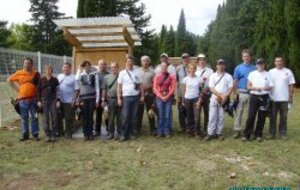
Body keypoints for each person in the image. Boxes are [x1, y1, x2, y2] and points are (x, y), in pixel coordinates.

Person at [7, 57, 41, 141]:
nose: (27, 65)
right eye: (25, 63)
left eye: (29, 63)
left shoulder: (36, 74)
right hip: (23, 100)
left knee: (35, 117)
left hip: (33, 100)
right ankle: (25, 135)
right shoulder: (19, 73)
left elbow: (40, 85)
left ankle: (35, 134)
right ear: (23, 64)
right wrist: (17, 89)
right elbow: (9, 80)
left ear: (31, 65)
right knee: (24, 118)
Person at [242, 58, 273, 142]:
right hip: (254, 97)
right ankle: (246, 135)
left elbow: (271, 86)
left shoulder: (268, 74)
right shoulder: (252, 74)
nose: (260, 65)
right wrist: (256, 88)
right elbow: (248, 87)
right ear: (256, 65)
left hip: (264, 97)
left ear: (264, 65)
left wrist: (266, 87)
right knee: (251, 116)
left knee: (262, 117)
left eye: (262, 64)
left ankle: (258, 134)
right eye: (259, 64)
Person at [204, 59, 233, 141]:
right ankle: (210, 133)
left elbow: (230, 88)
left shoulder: (228, 76)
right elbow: (211, 88)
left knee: (221, 116)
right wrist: (220, 95)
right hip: (214, 98)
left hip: (224, 99)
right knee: (212, 116)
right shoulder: (212, 76)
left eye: (222, 64)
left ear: (225, 65)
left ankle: (219, 133)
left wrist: (225, 96)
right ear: (216, 66)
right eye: (219, 64)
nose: (221, 66)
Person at [117, 55, 144, 141]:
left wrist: (142, 96)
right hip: (126, 97)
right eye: (128, 61)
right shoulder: (122, 73)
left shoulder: (138, 72)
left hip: (135, 97)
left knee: (133, 116)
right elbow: (119, 87)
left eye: (131, 61)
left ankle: (132, 133)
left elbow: (140, 85)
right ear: (126, 62)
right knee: (125, 116)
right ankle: (124, 134)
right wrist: (119, 98)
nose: (130, 63)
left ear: (133, 63)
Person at [268, 56, 295, 140]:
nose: (279, 62)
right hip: (273, 98)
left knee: (283, 117)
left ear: (283, 62)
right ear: (274, 62)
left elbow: (291, 84)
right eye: (277, 61)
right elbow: (267, 84)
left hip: (284, 99)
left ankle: (283, 133)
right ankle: (271, 134)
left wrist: (290, 96)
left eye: (280, 61)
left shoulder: (288, 71)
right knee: (272, 117)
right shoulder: (271, 72)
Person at [232, 49, 256, 138]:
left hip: (252, 93)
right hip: (241, 93)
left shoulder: (254, 68)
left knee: (251, 113)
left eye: (248, 56)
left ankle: (250, 130)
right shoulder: (238, 68)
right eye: (244, 56)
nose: (246, 58)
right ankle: (237, 130)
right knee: (239, 112)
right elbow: (235, 80)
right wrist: (235, 93)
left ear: (250, 57)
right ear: (242, 57)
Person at [153, 62, 176, 138]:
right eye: (162, 66)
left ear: (167, 67)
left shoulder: (171, 76)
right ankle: (160, 131)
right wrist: (160, 96)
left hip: (168, 98)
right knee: (160, 115)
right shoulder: (157, 76)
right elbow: (155, 88)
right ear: (160, 67)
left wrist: (167, 96)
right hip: (159, 98)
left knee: (167, 115)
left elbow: (172, 88)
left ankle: (166, 131)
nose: (164, 67)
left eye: (165, 66)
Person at [57, 62, 79, 139]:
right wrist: (57, 100)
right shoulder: (59, 76)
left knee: (68, 118)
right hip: (60, 101)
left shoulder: (74, 78)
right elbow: (56, 88)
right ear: (62, 68)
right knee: (58, 117)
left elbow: (76, 90)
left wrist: (73, 100)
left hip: (69, 101)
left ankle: (68, 133)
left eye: (67, 67)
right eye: (64, 67)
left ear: (70, 68)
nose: (65, 69)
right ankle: (60, 132)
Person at [37, 65, 59, 142]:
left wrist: (58, 101)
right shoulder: (41, 80)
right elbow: (38, 91)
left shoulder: (55, 80)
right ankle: (47, 135)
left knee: (54, 117)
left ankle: (53, 134)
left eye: (50, 69)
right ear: (45, 71)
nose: (48, 71)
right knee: (45, 118)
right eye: (47, 69)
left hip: (53, 101)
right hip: (44, 101)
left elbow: (58, 91)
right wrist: (39, 101)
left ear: (52, 71)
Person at [181, 63, 203, 137]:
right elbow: (183, 90)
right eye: (190, 68)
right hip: (187, 99)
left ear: (195, 69)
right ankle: (190, 131)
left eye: (193, 68)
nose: (192, 70)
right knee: (189, 116)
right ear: (188, 69)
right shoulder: (185, 79)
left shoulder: (199, 79)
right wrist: (183, 100)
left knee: (197, 117)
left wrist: (199, 100)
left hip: (196, 99)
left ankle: (197, 132)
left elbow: (201, 90)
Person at [136, 55, 156, 135]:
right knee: (139, 112)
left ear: (149, 62)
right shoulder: (137, 71)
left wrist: (149, 89)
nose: (145, 62)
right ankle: (137, 129)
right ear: (141, 62)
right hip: (139, 94)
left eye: (147, 61)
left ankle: (152, 129)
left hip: (149, 94)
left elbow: (154, 83)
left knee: (150, 111)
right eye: (144, 61)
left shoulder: (152, 72)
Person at [102, 62, 122, 140]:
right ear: (110, 68)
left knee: (120, 117)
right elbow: (104, 89)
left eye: (115, 67)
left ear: (118, 68)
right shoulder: (106, 77)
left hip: (120, 99)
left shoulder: (121, 76)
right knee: (111, 117)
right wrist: (103, 100)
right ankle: (111, 133)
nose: (113, 68)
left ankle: (120, 133)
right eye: (112, 67)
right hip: (110, 99)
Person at [195, 53, 214, 135]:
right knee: (197, 113)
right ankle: (197, 130)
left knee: (207, 113)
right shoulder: (194, 70)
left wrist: (208, 89)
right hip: (197, 94)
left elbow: (213, 82)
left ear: (205, 61)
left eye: (203, 60)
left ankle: (206, 129)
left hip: (207, 94)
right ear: (198, 61)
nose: (202, 61)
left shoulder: (210, 71)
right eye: (200, 60)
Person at [78, 61, 97, 141]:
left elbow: (97, 87)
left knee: (90, 116)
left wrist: (98, 98)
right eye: (85, 66)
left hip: (92, 98)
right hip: (84, 99)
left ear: (90, 67)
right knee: (85, 116)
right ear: (83, 67)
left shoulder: (93, 75)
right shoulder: (81, 75)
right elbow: (76, 79)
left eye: (88, 66)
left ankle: (91, 133)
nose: (87, 67)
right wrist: (79, 70)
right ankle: (86, 133)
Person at [95, 59, 110, 137]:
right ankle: (97, 130)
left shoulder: (109, 74)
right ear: (98, 65)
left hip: (107, 98)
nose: (102, 66)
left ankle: (109, 130)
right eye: (100, 64)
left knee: (107, 115)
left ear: (106, 65)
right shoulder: (95, 75)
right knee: (98, 115)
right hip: (98, 98)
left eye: (103, 64)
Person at [176, 53, 190, 132]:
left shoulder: (192, 67)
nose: (185, 59)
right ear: (182, 59)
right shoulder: (178, 68)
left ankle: (189, 126)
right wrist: (177, 94)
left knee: (189, 110)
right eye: (183, 58)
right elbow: (177, 81)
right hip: (181, 92)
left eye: (186, 58)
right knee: (181, 110)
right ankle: (182, 126)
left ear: (189, 58)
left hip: (190, 93)